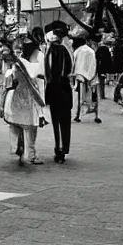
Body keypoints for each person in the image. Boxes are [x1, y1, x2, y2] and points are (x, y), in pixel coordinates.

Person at [1, 39, 47, 166]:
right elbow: (36, 76)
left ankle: (18, 148)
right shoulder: (29, 64)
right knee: (31, 127)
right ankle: (31, 154)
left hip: (16, 96)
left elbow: (11, 77)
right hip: (28, 98)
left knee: (17, 125)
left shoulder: (18, 62)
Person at [43, 21, 73, 163]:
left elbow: (48, 73)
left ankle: (59, 148)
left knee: (57, 121)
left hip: (54, 90)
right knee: (65, 121)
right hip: (64, 90)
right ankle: (63, 148)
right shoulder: (68, 50)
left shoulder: (50, 51)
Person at [70, 27, 100, 124]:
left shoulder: (78, 51)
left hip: (80, 77)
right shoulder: (90, 51)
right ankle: (96, 115)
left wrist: (74, 76)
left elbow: (76, 65)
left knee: (79, 98)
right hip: (92, 77)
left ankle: (78, 115)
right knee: (93, 97)